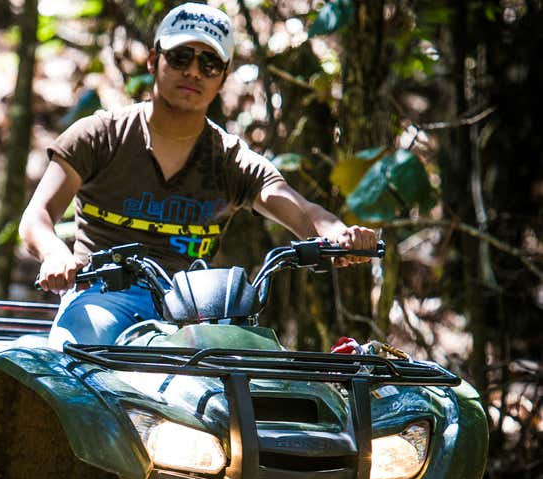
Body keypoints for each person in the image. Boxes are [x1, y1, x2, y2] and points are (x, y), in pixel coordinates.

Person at [19, 2, 377, 350]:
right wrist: (55, 255)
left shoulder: (230, 160)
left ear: (222, 78)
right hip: (102, 299)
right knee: (78, 361)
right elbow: (37, 217)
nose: (193, 72)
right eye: (180, 57)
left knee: (253, 385)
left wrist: (338, 235)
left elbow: (297, 208)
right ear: (153, 60)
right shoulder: (100, 135)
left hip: (195, 312)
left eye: (208, 64)